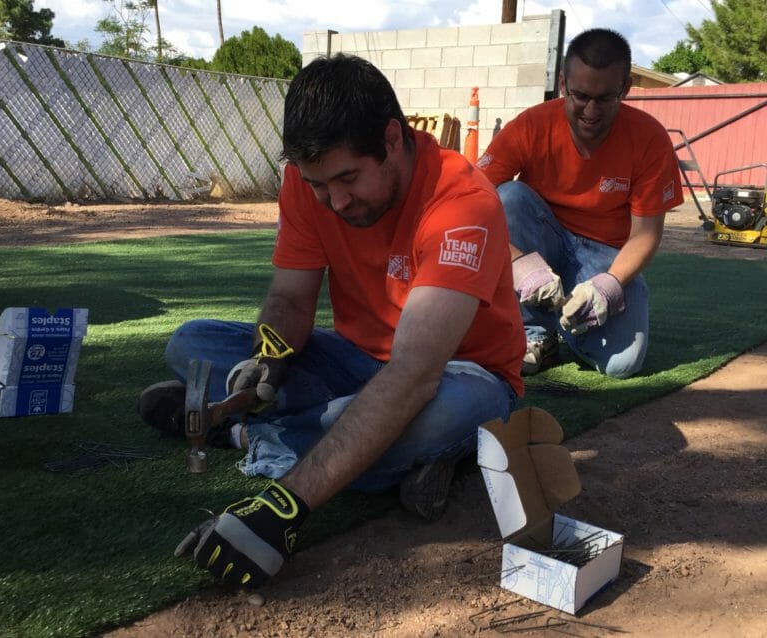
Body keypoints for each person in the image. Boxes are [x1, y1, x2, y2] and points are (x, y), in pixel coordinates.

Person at [139, 54, 525, 587]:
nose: (335, 200)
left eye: (347, 178)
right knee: (191, 343)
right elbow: (291, 300)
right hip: (354, 359)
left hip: (462, 376)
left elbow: (415, 373)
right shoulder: (308, 181)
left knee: (443, 413)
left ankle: (245, 436)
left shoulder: (463, 204)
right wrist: (269, 357)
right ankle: (392, 459)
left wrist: (286, 506)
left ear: (392, 138)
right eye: (319, 184)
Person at [477, 28, 682, 379]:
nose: (590, 111)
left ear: (626, 88)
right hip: (541, 238)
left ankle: (568, 321)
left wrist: (611, 285)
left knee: (622, 365)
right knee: (507, 197)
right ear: (562, 83)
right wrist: (519, 264)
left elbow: (646, 235)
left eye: (604, 99)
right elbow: (470, 198)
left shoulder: (649, 139)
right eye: (580, 96)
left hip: (604, 256)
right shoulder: (532, 125)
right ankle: (533, 333)